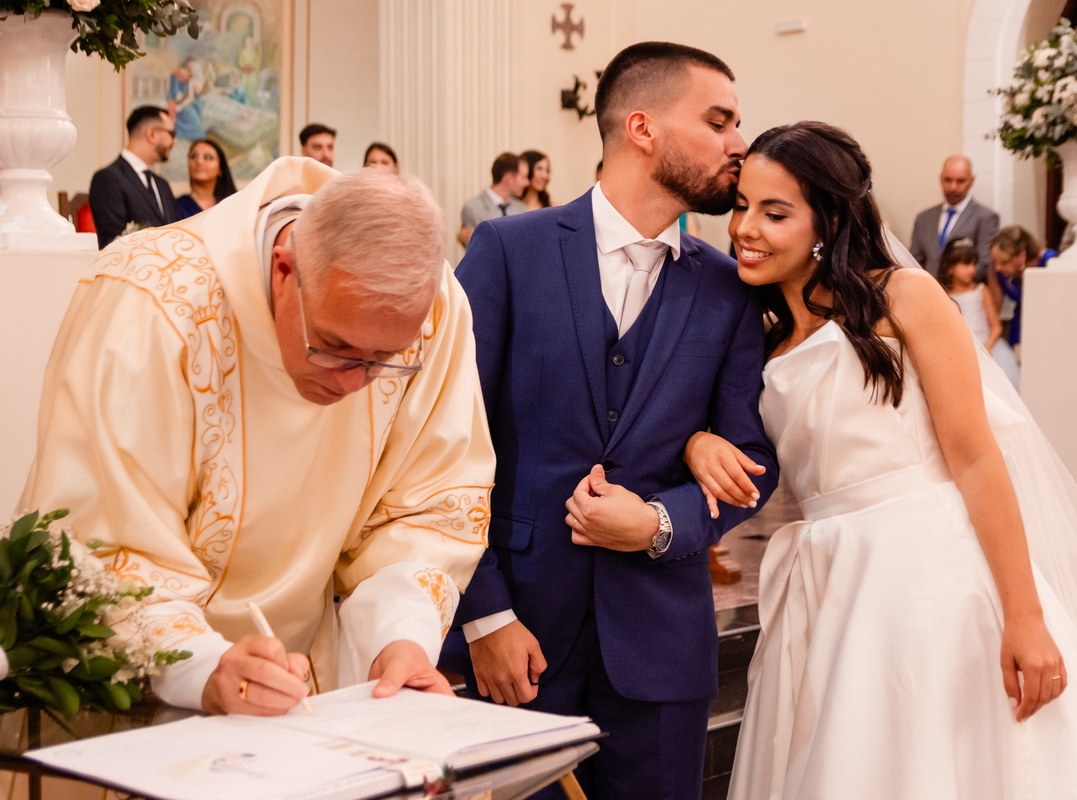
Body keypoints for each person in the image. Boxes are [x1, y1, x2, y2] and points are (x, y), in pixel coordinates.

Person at [19, 158, 496, 718]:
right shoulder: (150, 304)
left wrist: (400, 639)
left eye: (384, 362)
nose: (353, 381)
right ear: (284, 267)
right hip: (142, 684)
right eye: (332, 345)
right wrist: (200, 665)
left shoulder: (429, 303)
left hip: (301, 677)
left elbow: (425, 506)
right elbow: (108, 540)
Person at [687, 121, 1077, 799]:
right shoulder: (752, 328)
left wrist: (1025, 616)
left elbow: (980, 459)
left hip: (930, 574)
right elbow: (722, 434)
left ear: (827, 221)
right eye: (742, 205)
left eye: (775, 213)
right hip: (827, 583)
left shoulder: (901, 296)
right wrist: (698, 442)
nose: (746, 227)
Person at [449, 42, 779, 800]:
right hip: (517, 637)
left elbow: (751, 462)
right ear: (642, 128)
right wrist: (484, 616)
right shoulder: (507, 253)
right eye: (720, 120)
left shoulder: (731, 289)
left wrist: (662, 523)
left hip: (661, 645)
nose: (739, 144)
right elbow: (439, 448)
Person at [88, 106, 180, 249]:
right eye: (172, 134)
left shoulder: (162, 185)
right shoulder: (108, 179)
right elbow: (114, 241)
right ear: (152, 134)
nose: (174, 142)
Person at [938, 237, 1020, 389]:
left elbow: (996, 327)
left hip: (986, 346)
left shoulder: (981, 291)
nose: (972, 269)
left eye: (974, 263)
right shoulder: (943, 296)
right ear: (949, 267)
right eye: (965, 264)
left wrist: (985, 349)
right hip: (959, 350)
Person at [909, 155, 1000, 279]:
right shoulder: (923, 218)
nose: (953, 187)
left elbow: (984, 263)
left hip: (963, 292)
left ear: (971, 181)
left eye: (960, 181)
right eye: (948, 180)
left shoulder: (986, 217)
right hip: (927, 291)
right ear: (941, 179)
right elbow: (914, 261)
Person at [988, 225, 1056, 361]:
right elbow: (995, 308)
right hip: (1020, 324)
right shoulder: (999, 273)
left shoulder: (1050, 262)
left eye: (1003, 262)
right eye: (996, 262)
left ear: (1022, 256)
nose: (998, 267)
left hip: (1049, 325)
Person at [457, 153, 529, 248]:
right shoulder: (472, 208)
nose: (527, 183)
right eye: (524, 177)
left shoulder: (521, 208)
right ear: (509, 179)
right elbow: (477, 250)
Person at [175, 138, 237, 220]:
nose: (199, 161)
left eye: (208, 157)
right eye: (194, 156)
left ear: (220, 167)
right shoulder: (177, 206)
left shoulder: (233, 204)